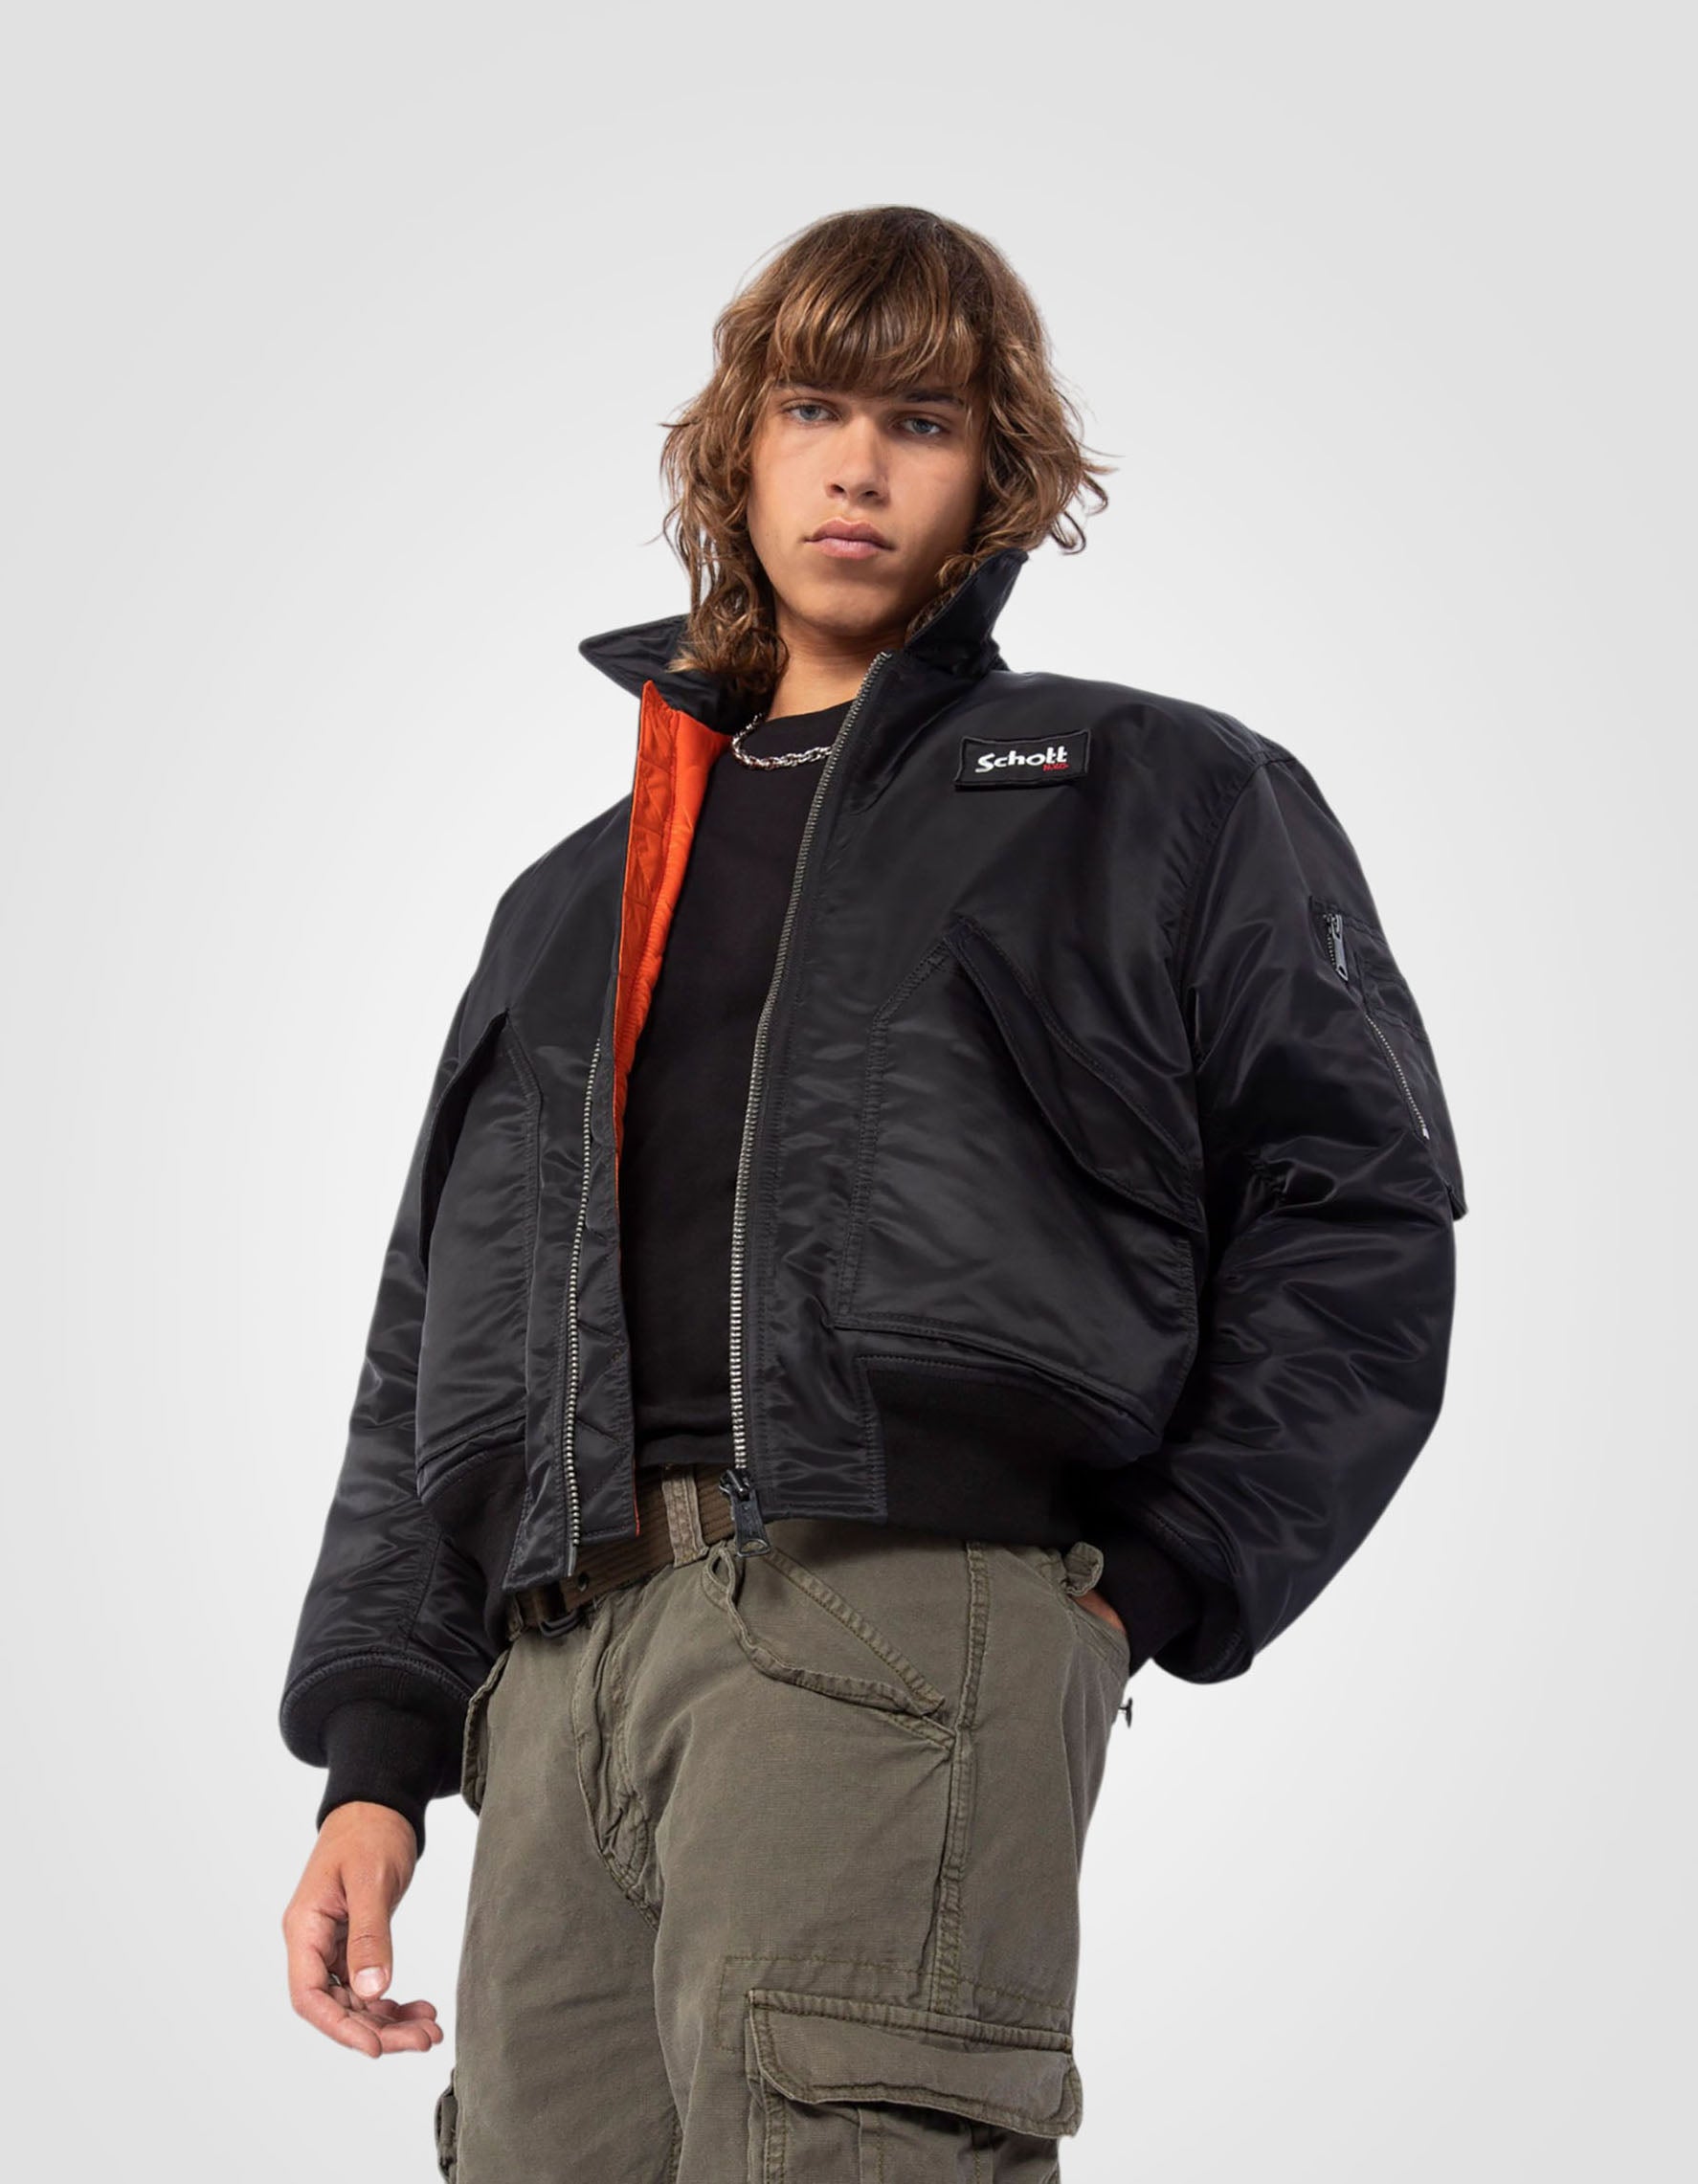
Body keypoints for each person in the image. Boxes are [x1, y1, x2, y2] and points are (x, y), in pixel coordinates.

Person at [279, 205, 1467, 2179]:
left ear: (995, 476)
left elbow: (1354, 1204)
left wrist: (1151, 1583)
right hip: (550, 1690)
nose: (855, 465)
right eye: (811, 408)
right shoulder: (567, 899)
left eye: (919, 420)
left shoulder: (1144, 791)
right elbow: (432, 1342)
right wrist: (375, 1761)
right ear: (733, 453)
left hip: (891, 1618)